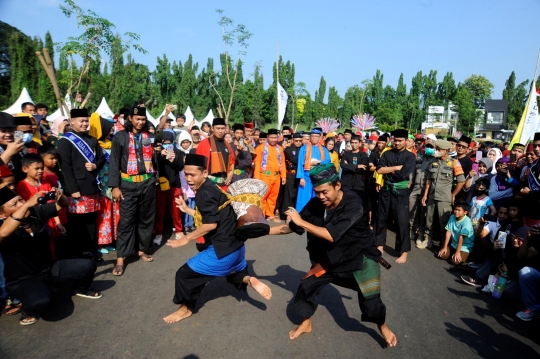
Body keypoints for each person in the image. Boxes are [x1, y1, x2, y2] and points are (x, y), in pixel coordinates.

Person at [268, 164, 397, 347]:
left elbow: (330, 234)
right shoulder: (316, 204)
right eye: (317, 192)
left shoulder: (354, 204)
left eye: (324, 191)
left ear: (337, 185)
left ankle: (382, 325)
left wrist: (301, 222)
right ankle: (306, 322)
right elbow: (292, 227)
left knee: (371, 304)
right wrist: (263, 230)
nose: (321, 196)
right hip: (331, 259)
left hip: (360, 259)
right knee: (306, 287)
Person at [163, 154, 272, 324]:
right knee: (231, 271)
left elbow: (211, 225)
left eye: (193, 175)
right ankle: (248, 279)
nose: (189, 179)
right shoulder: (213, 187)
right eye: (186, 174)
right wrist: (187, 210)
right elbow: (213, 216)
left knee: (184, 276)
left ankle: (185, 309)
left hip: (222, 252)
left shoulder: (204, 193)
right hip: (238, 249)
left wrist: (186, 238)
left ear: (205, 173)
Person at [0, 187, 102, 325]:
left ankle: (80, 288)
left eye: (21, 200)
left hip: (48, 269)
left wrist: (60, 196)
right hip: (24, 280)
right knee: (40, 302)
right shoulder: (3, 227)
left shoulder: (35, 213)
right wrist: (26, 205)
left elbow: (62, 204)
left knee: (88, 265)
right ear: (2, 215)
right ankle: (28, 309)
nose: (21, 204)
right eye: (14, 204)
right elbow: (3, 234)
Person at [109, 106, 157, 276]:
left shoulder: (149, 137)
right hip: (128, 184)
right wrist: (114, 186)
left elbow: (154, 159)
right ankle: (121, 258)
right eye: (137, 119)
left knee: (146, 219)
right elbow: (114, 162)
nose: (140, 122)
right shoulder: (120, 137)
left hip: (147, 183)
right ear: (130, 118)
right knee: (127, 221)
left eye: (143, 119)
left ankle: (142, 249)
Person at [57, 109, 105, 262]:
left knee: (91, 222)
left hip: (92, 186)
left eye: (86, 121)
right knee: (77, 224)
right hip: (77, 189)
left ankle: (91, 249)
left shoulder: (92, 140)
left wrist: (95, 166)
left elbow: (101, 159)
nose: (85, 124)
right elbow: (65, 167)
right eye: (81, 121)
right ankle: (79, 253)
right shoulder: (65, 141)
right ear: (72, 121)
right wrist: (73, 189)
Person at [375, 129, 416, 263]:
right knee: (381, 218)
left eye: (400, 141)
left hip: (401, 193)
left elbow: (402, 174)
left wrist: (391, 170)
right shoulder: (387, 153)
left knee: (401, 222)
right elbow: (379, 169)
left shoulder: (410, 157)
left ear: (406, 141)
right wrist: (396, 168)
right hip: (386, 191)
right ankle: (379, 245)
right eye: (395, 140)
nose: (397, 143)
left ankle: (403, 252)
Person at [421, 139, 465, 249]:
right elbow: (429, 180)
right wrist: (425, 195)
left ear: (446, 151)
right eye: (436, 149)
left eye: (439, 149)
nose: (436, 151)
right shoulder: (433, 161)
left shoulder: (454, 162)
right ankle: (427, 239)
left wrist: (453, 194)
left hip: (444, 198)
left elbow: (461, 181)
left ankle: (444, 244)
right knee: (429, 220)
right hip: (432, 196)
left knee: (444, 222)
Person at [15, 153, 65, 242]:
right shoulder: (21, 186)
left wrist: (58, 222)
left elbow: (53, 205)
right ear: (25, 169)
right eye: (36, 168)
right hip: (36, 223)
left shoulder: (46, 182)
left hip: (51, 220)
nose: (40, 171)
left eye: (42, 168)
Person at [88, 113, 118, 254]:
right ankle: (101, 243)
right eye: (109, 128)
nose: (112, 130)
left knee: (112, 214)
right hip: (101, 186)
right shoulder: (94, 145)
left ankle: (111, 239)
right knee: (103, 215)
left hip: (113, 184)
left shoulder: (111, 142)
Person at [154, 131, 185, 245]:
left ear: (173, 141)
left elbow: (181, 167)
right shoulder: (157, 153)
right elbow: (153, 165)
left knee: (176, 209)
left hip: (175, 184)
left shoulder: (179, 152)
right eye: (164, 142)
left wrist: (173, 161)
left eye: (169, 141)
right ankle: (159, 233)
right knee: (160, 210)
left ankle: (179, 230)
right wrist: (160, 156)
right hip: (161, 184)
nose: (167, 144)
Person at [254, 128, 286, 221]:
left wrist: (283, 176)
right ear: (267, 137)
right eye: (271, 137)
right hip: (264, 176)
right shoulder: (260, 148)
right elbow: (258, 163)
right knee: (263, 196)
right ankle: (262, 215)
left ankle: (270, 214)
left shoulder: (279, 148)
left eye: (275, 138)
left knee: (273, 197)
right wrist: (257, 177)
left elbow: (282, 163)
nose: (273, 139)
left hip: (276, 176)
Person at [296, 128, 331, 211]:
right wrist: (301, 177)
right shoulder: (304, 148)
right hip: (306, 176)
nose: (314, 138)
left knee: (316, 198)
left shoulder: (324, 150)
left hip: (319, 177)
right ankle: (300, 216)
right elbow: (300, 163)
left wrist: (319, 162)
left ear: (320, 138)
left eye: (316, 136)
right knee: (303, 198)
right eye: (312, 136)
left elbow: (328, 162)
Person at [195, 118, 235, 189]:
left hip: (224, 184)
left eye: (222, 128)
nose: (220, 131)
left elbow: (232, 161)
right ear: (212, 129)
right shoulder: (204, 143)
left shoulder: (227, 145)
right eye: (218, 128)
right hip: (208, 184)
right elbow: (198, 164)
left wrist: (230, 174)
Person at [409, 143, 436, 247]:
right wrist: (410, 182)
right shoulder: (419, 158)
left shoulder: (435, 160)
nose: (428, 149)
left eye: (431, 147)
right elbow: (413, 171)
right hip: (416, 187)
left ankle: (421, 234)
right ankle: (411, 229)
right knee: (411, 209)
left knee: (423, 213)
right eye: (427, 146)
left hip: (427, 189)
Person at [438, 201, 475, 267]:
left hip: (465, 246)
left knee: (455, 262)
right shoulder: (452, 217)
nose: (456, 212)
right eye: (455, 209)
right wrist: (445, 247)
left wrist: (457, 252)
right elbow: (448, 232)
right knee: (442, 255)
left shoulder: (467, 221)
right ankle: (452, 253)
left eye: (459, 210)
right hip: (454, 244)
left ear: (465, 212)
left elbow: (462, 237)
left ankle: (466, 257)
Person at [519, 134, 540, 228]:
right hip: (531, 210)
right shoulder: (534, 164)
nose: (536, 149)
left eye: (539, 146)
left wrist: (530, 193)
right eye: (535, 146)